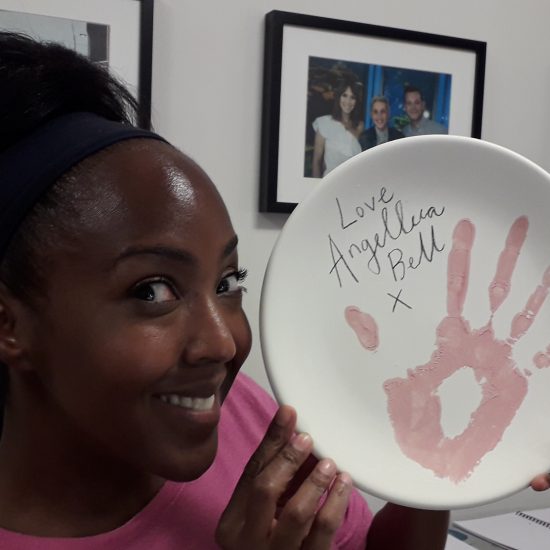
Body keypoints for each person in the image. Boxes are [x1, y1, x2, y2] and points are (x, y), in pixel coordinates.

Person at [0, 31, 455, 549]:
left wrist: (434, 472)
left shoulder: (238, 413)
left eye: (227, 283)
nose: (222, 343)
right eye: (152, 292)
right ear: (9, 324)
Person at [312, 81, 364, 177]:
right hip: (331, 181)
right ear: (339, 97)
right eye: (344, 95)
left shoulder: (360, 126)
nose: (348, 101)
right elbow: (317, 162)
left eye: (352, 97)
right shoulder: (324, 123)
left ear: (356, 101)